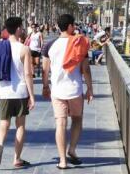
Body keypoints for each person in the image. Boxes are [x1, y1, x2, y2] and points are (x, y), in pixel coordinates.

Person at [42, 14, 94, 170]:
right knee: (77, 120)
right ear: (70, 26)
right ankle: (72, 149)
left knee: (60, 123)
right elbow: (85, 69)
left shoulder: (49, 45)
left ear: (58, 27)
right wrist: (90, 88)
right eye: (74, 26)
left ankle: (63, 160)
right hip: (75, 89)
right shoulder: (80, 43)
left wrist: (45, 86)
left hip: (57, 90)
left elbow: (45, 69)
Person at [0, 17, 35, 169]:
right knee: (20, 125)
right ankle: (17, 158)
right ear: (17, 29)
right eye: (21, 27)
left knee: (4, 123)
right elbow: (28, 74)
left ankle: (0, 143)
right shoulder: (24, 49)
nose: (22, 30)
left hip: (3, 91)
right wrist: (32, 96)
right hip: (20, 92)